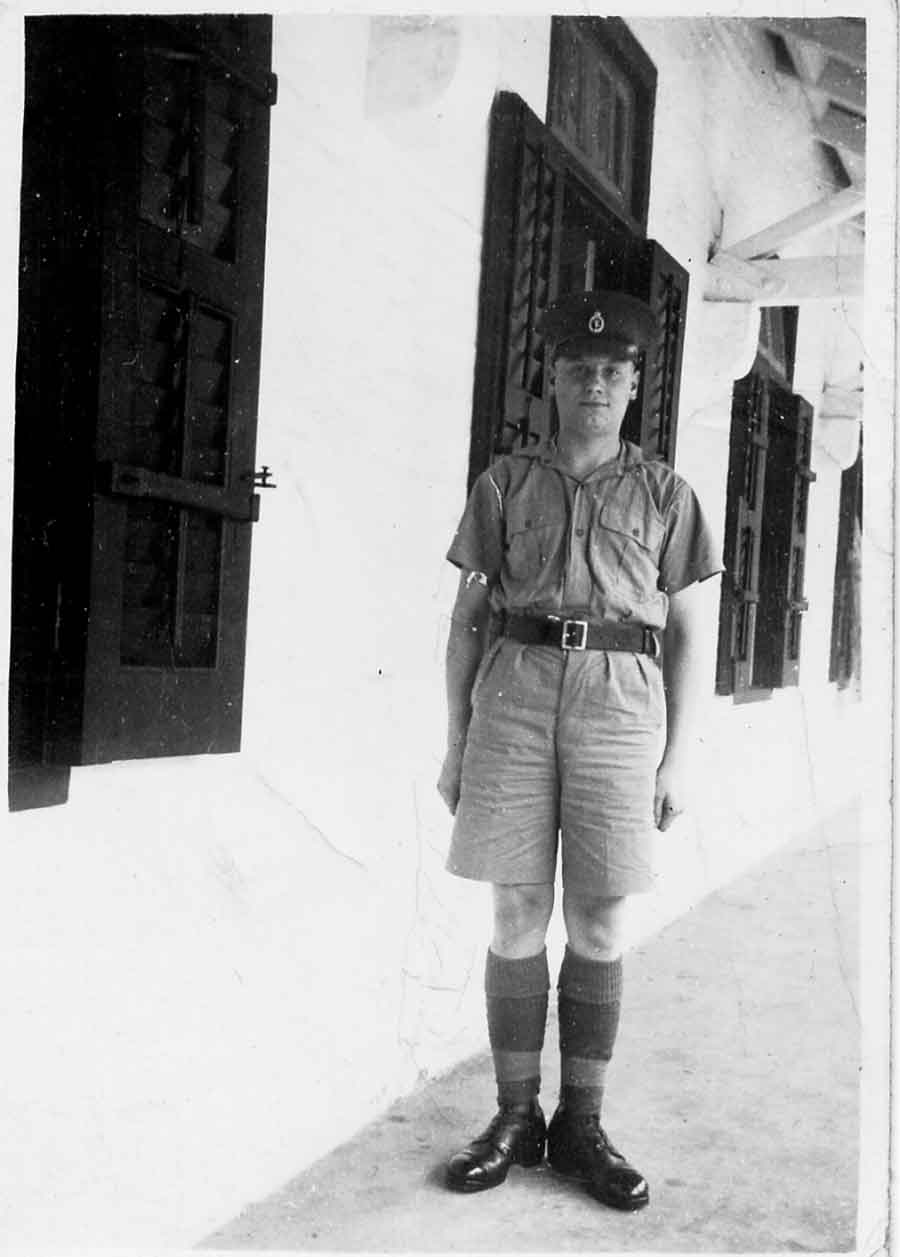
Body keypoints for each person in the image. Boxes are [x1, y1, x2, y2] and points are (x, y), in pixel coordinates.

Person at [437, 289, 722, 1210]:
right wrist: (456, 742)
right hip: (514, 696)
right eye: (577, 369)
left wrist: (679, 757)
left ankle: (581, 1125)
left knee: (598, 918)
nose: (595, 384)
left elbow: (690, 632)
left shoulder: (668, 494)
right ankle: (515, 1116)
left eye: (612, 371)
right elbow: (467, 619)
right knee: (516, 908)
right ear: (552, 380)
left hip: (619, 705)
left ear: (633, 386)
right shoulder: (503, 485)